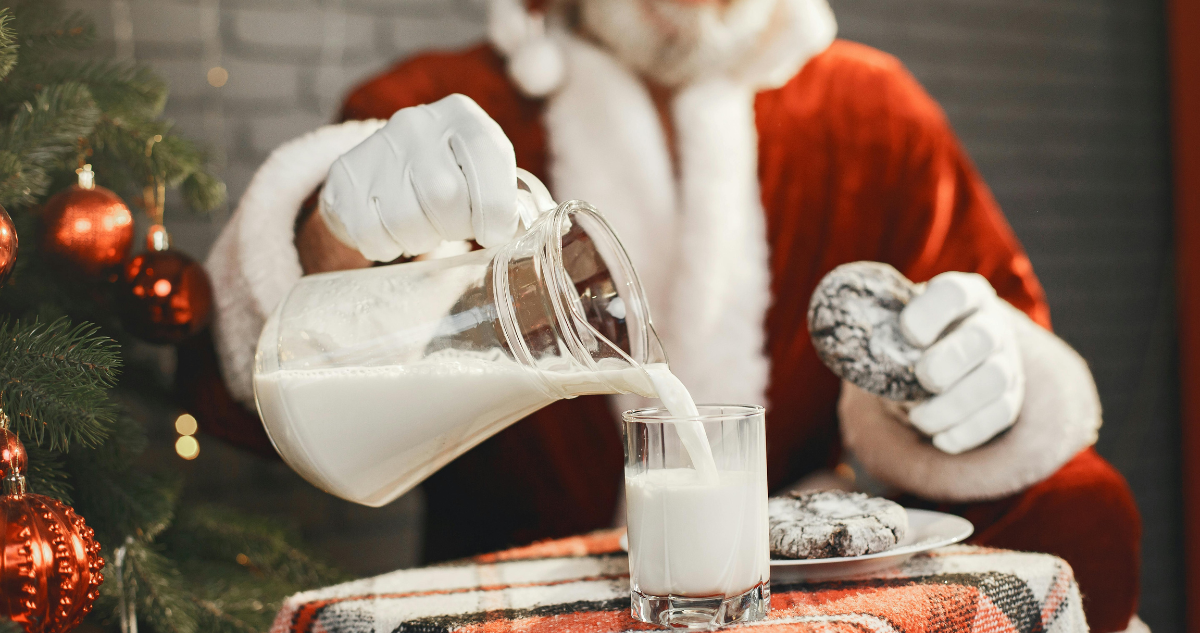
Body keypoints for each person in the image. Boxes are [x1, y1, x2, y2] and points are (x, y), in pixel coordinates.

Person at [188, 0, 1142, 630]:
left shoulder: (876, 114)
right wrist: (327, 242)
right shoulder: (433, 111)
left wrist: (975, 379)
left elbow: (991, 326)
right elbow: (248, 393)